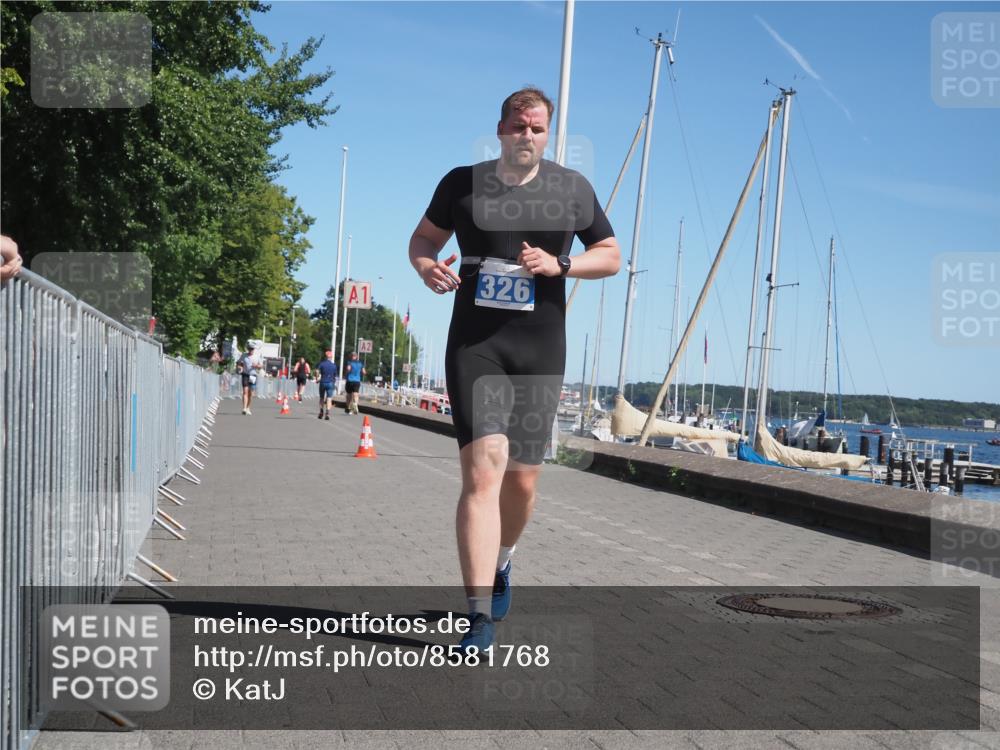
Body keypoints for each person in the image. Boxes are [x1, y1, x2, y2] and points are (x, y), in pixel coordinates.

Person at [407, 87, 620, 653]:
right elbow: (424, 238)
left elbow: (613, 255)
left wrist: (562, 263)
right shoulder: (462, 182)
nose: (527, 135)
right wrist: (427, 265)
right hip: (476, 343)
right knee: (483, 472)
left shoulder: (571, 189)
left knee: (523, 479)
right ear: (500, 127)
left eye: (538, 128)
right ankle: (477, 616)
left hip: (540, 347)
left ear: (548, 135)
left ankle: (503, 560)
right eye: (519, 125)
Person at [236, 344, 259, 415]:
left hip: (253, 375)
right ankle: (244, 408)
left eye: (252, 349)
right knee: (245, 391)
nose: (251, 350)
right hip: (245, 374)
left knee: (250, 393)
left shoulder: (257, 356)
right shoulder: (244, 355)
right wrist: (239, 367)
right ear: (248, 349)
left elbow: (261, 365)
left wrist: (256, 366)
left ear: (254, 350)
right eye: (249, 349)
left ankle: (248, 407)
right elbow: (238, 362)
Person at [316, 350, 338, 420]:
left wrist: (317, 378)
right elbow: (335, 376)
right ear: (331, 357)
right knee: (329, 398)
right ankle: (327, 413)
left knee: (322, 398)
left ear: (326, 357)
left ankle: (321, 411)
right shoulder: (334, 366)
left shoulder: (322, 364)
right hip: (330, 383)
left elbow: (317, 371)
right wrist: (334, 383)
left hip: (323, 382)